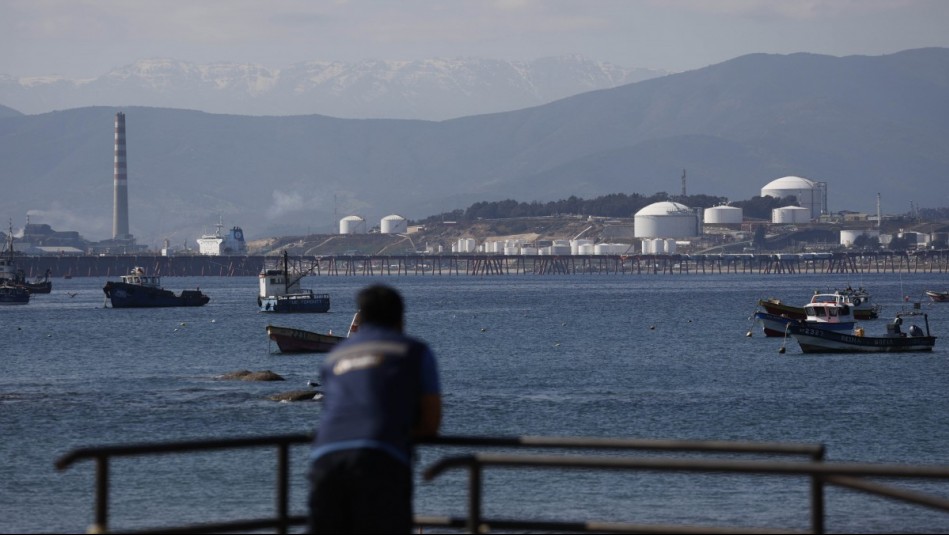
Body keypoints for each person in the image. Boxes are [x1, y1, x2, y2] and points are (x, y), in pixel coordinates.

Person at [308, 284, 442, 534]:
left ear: (362, 319)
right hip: (381, 459)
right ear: (401, 319)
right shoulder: (415, 352)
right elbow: (431, 424)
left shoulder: (335, 357)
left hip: (325, 460)